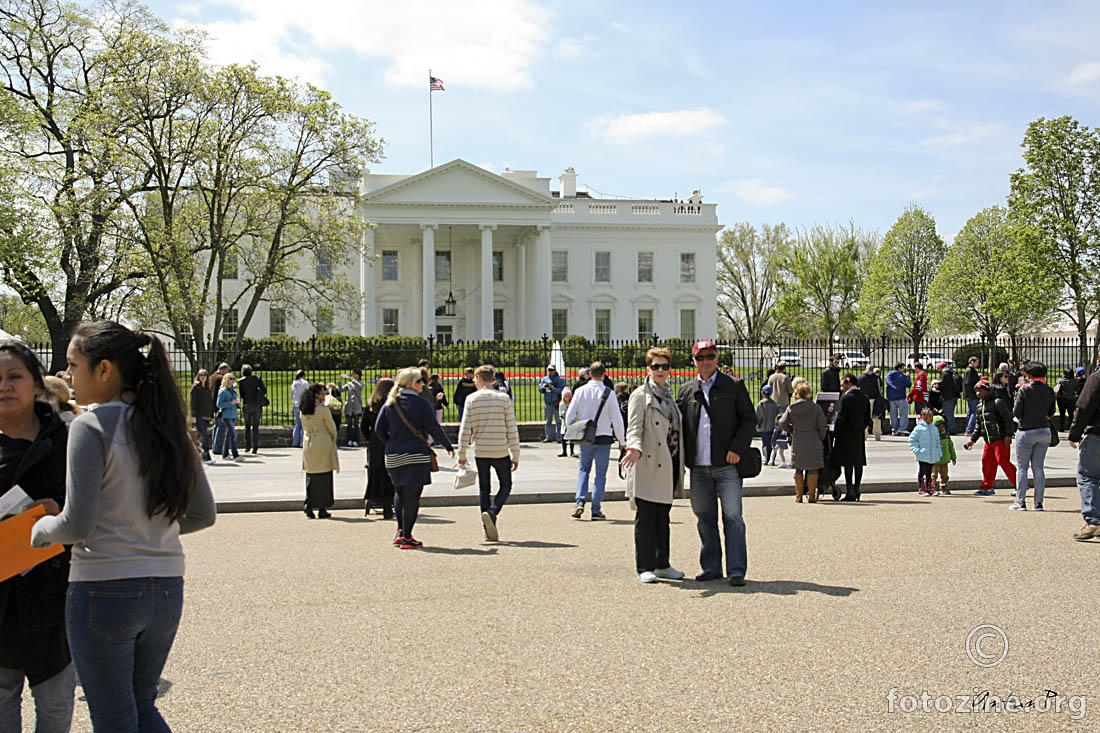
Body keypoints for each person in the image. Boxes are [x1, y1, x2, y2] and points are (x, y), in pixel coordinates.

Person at [30, 321, 216, 733]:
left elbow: (76, 524)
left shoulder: (90, 426)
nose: (68, 376)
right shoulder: (170, 428)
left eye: (74, 365)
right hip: (166, 586)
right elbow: (203, 514)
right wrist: (145, 529)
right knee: (141, 706)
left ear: (105, 370)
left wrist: (41, 529)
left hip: (103, 585)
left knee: (114, 717)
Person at [0, 341, 74, 733]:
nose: (4, 386)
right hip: (1, 598)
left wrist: (62, 514)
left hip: (56, 595)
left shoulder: (70, 441)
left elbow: (99, 509)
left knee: (58, 704)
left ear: (36, 384)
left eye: (15, 377)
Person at [677, 340, 755, 586]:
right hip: (698, 466)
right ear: (694, 360)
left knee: (733, 517)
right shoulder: (687, 390)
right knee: (704, 517)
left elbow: (749, 419)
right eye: (701, 358)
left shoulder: (733, 386)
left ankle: (736, 570)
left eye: (710, 356)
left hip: (727, 464)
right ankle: (711, 566)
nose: (706, 361)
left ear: (717, 357)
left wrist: (736, 449)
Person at [621, 347, 685, 584]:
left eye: (664, 366)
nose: (660, 370)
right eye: (655, 366)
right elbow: (634, 429)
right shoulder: (640, 395)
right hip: (648, 461)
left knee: (663, 517)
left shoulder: (669, 394)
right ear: (648, 369)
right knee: (646, 516)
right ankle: (644, 566)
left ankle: (662, 563)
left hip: (669, 461)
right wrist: (634, 448)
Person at [375, 367, 455, 549]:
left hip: (394, 454)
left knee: (400, 492)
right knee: (412, 497)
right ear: (411, 384)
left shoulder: (390, 402)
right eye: (420, 381)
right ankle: (407, 536)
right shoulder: (421, 404)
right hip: (416, 454)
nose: (423, 384)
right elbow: (434, 428)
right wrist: (448, 445)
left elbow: (379, 429)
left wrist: (392, 442)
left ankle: (400, 531)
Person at [457, 365, 520, 541]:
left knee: (484, 488)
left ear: (478, 378)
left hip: (481, 450)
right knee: (506, 485)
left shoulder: (471, 399)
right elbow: (512, 428)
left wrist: (462, 454)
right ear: (492, 378)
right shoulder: (503, 398)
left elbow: (465, 429)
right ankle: (493, 511)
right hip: (500, 448)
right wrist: (515, 454)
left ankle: (487, 526)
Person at [566, 362, 626, 520]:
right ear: (604, 374)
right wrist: (622, 440)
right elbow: (617, 419)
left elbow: (569, 416)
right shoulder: (609, 393)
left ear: (589, 374)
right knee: (600, 474)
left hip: (586, 436)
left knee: (583, 470)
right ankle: (596, 508)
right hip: (604, 437)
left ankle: (579, 501)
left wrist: (573, 428)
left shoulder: (580, 391)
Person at [1010, 361, 1056, 512]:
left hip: (1027, 429)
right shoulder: (1049, 390)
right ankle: (1038, 503)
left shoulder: (1025, 390)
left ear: (1029, 375)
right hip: (1044, 429)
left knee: (1022, 467)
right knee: (1038, 467)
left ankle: (1020, 501)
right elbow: (1051, 412)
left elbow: (1017, 412)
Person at [778, 380, 828, 504]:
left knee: (798, 469)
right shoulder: (816, 407)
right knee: (813, 469)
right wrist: (820, 437)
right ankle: (811, 495)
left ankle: (798, 495)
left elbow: (782, 422)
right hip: (813, 438)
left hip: (798, 438)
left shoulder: (791, 408)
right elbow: (822, 425)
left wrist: (791, 430)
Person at [965, 379, 1016, 496]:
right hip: (988, 440)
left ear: (987, 391)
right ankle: (987, 486)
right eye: (976, 391)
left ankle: (1019, 484)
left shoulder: (998, 402)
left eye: (980, 390)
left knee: (1003, 461)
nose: (978, 393)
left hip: (1000, 438)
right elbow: (979, 425)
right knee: (987, 463)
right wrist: (972, 440)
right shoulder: (979, 406)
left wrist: (1009, 435)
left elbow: (1008, 420)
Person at [1068, 364, 1100, 541]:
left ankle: (1094, 521)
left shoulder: (1097, 378)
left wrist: (1074, 434)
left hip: (1097, 434)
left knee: (1088, 477)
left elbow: (1084, 406)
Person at [300, 383, 339, 519]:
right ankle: (322, 508)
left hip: (308, 441)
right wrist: (333, 438)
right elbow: (332, 428)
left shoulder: (303, 410)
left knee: (311, 475)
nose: (324, 395)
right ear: (317, 395)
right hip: (322, 441)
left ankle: (309, 504)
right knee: (324, 476)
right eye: (322, 393)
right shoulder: (322, 410)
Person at [831, 373, 871, 502]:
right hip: (858, 434)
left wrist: (836, 433)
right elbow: (867, 418)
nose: (841, 387)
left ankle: (850, 490)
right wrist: (860, 428)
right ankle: (857, 488)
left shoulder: (846, 398)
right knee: (858, 463)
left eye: (843, 384)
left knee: (848, 463)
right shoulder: (864, 397)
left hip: (846, 434)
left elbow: (841, 418)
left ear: (849, 383)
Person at [362, 378, 395, 519]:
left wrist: (371, 438)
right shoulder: (393, 405)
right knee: (391, 474)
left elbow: (363, 427)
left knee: (378, 473)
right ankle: (389, 504)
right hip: (391, 440)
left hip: (376, 443)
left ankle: (379, 501)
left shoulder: (371, 405)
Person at [909, 408, 942, 496]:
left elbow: (938, 441)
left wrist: (938, 451)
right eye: (927, 416)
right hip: (922, 454)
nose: (929, 418)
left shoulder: (934, 428)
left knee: (929, 472)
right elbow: (912, 440)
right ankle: (921, 488)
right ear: (922, 417)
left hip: (932, 454)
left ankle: (929, 488)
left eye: (930, 416)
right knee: (922, 471)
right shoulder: (918, 429)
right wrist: (917, 451)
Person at [237, 364, 267, 455]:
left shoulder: (241, 381)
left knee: (247, 426)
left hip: (247, 404)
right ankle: (255, 447)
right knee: (255, 427)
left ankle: (247, 446)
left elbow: (242, 395)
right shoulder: (257, 379)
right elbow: (264, 390)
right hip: (257, 405)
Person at [189, 369, 216, 465]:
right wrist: (193, 415)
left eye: (204, 375)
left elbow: (210, 403)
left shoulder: (207, 388)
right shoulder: (196, 387)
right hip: (199, 414)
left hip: (207, 415)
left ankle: (200, 455)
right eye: (201, 375)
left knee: (202, 436)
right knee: (203, 435)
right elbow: (192, 402)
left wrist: (212, 416)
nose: (203, 377)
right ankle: (206, 456)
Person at [216, 373, 242, 461]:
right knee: (233, 434)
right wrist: (231, 403)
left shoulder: (233, 391)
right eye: (231, 378)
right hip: (226, 415)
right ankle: (235, 454)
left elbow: (235, 401)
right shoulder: (223, 391)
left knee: (228, 435)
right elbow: (219, 404)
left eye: (234, 378)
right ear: (226, 380)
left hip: (233, 414)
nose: (233, 380)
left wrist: (238, 404)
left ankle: (225, 453)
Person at [538, 365, 566, 443]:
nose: (550, 371)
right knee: (548, 421)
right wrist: (543, 387)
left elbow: (564, 390)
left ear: (555, 370)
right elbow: (540, 389)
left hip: (556, 402)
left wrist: (554, 389)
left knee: (559, 421)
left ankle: (559, 437)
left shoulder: (560, 380)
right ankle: (549, 437)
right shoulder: (544, 379)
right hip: (548, 403)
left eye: (552, 370)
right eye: (549, 370)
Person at [931, 415, 957, 495]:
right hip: (935, 460)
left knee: (944, 475)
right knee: (933, 475)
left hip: (945, 460)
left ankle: (944, 486)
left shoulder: (946, 436)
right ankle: (932, 487)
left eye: (942, 425)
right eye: (938, 426)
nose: (940, 427)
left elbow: (951, 447)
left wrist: (953, 457)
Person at [857, 365, 884, 440]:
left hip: (864, 399)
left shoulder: (861, 377)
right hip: (876, 399)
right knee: (876, 418)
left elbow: (856, 386)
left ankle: (864, 434)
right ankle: (877, 435)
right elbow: (881, 386)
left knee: (864, 417)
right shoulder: (877, 378)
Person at [209, 362, 230, 455]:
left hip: (212, 404)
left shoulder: (211, 377)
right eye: (227, 371)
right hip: (219, 406)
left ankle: (215, 446)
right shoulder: (221, 379)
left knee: (216, 427)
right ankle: (218, 448)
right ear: (223, 370)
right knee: (221, 427)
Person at [885, 363, 912, 436]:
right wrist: (908, 377)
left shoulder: (889, 375)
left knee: (893, 414)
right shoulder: (902, 376)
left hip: (891, 397)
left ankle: (894, 429)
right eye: (903, 368)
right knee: (903, 413)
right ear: (900, 368)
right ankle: (902, 429)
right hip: (900, 397)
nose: (904, 369)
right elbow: (908, 384)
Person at [755, 385, 778, 466]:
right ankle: (771, 458)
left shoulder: (761, 404)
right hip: (772, 427)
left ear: (762, 393)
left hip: (764, 427)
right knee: (772, 443)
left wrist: (757, 425)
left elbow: (759, 416)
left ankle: (767, 458)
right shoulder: (774, 403)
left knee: (765, 443)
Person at [341, 370, 365, 447]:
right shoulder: (349, 384)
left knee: (356, 424)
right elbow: (341, 389)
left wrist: (352, 380)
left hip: (357, 406)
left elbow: (360, 387)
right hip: (349, 406)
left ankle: (356, 440)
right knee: (349, 424)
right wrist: (340, 381)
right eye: (354, 374)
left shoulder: (360, 383)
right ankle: (349, 439)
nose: (354, 375)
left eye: (356, 374)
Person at [938, 362, 962, 434]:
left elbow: (942, 384)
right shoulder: (951, 372)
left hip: (947, 396)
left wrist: (937, 384)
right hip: (954, 395)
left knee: (949, 414)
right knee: (949, 413)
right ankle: (949, 428)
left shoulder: (945, 374)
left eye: (938, 369)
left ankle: (952, 430)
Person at [963, 356, 982, 435]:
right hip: (972, 395)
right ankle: (969, 429)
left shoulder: (971, 371)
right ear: (972, 362)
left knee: (971, 412)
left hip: (970, 395)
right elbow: (969, 383)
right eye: (976, 362)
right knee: (974, 412)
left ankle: (969, 428)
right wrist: (978, 379)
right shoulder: (970, 371)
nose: (977, 364)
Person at [290, 369, 309, 447]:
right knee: (303, 424)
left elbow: (291, 395)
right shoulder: (305, 383)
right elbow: (308, 393)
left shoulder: (294, 383)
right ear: (303, 375)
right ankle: (302, 443)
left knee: (298, 424)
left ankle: (295, 442)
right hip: (303, 404)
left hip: (295, 404)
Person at [558, 388, 575, 458]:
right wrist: (562, 415)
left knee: (572, 438)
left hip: (571, 423)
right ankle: (564, 451)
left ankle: (572, 451)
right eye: (566, 396)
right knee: (563, 438)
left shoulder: (572, 404)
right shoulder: (561, 404)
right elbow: (560, 413)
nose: (567, 398)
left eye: (568, 396)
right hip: (564, 423)